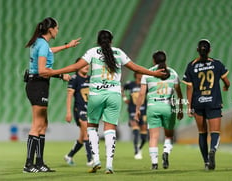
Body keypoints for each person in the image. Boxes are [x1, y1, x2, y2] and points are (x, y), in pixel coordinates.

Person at [42, 30, 166, 174]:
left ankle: (96, 160)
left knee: (92, 127)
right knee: (110, 129)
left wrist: (54, 72)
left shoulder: (93, 52)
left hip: (96, 95)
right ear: (111, 41)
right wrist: (154, 73)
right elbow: (135, 67)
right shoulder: (119, 53)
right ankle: (109, 165)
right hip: (114, 95)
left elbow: (75, 67)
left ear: (98, 41)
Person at [23, 17, 80, 173]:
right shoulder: (42, 45)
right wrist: (61, 74)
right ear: (51, 29)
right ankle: (29, 164)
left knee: (43, 124)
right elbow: (42, 70)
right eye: (57, 28)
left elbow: (49, 51)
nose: (58, 30)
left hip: (38, 84)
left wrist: (67, 46)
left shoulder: (40, 43)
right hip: (38, 84)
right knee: (37, 125)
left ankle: (39, 162)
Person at [182, 39, 230, 170]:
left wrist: (189, 107)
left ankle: (206, 162)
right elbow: (226, 81)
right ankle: (213, 150)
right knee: (215, 132)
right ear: (210, 50)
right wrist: (226, 86)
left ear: (198, 50)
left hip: (198, 103)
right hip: (213, 101)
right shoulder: (217, 64)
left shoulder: (191, 66)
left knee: (202, 132)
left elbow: (189, 88)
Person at [134, 51, 183, 170]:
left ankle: (154, 163)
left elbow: (141, 94)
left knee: (153, 137)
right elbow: (179, 94)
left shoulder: (147, 74)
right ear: (165, 60)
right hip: (168, 107)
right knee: (169, 136)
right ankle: (166, 152)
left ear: (153, 60)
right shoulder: (173, 73)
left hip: (153, 106)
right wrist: (180, 109)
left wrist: (137, 109)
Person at [63, 58, 93, 166]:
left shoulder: (91, 79)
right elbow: (69, 96)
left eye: (87, 64)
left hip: (90, 111)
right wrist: (68, 112)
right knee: (87, 134)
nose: (87, 66)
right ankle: (90, 160)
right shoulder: (75, 79)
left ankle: (69, 156)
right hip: (79, 111)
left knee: (82, 137)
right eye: (84, 64)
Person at [122, 72, 148, 160]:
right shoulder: (130, 84)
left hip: (143, 111)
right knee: (136, 130)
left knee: (144, 136)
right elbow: (121, 88)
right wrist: (124, 98)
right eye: (139, 74)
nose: (140, 75)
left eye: (142, 74)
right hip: (132, 110)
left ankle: (140, 148)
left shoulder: (145, 85)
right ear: (135, 75)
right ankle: (136, 151)